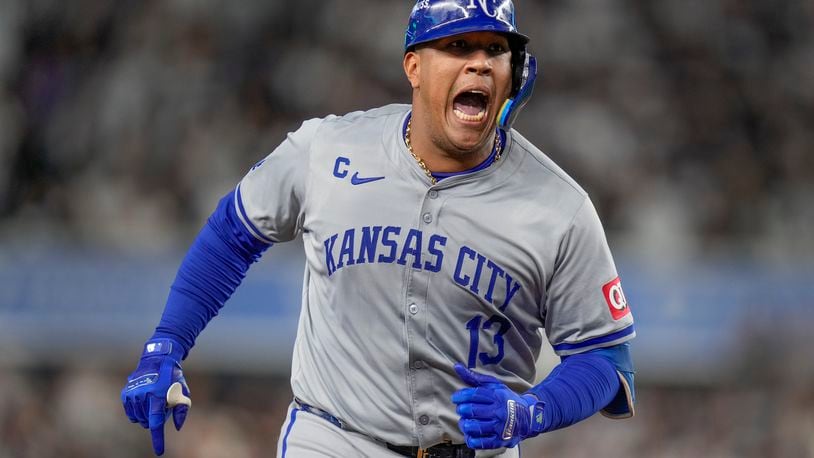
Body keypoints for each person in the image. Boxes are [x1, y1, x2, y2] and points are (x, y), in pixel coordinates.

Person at [121, 1, 637, 457]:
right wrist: (167, 341)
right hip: (333, 437)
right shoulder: (329, 148)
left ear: (514, 72)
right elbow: (233, 232)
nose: (479, 61)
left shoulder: (560, 206)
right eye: (458, 45)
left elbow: (606, 360)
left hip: (477, 449)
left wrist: (533, 412)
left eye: (495, 49)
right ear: (414, 66)